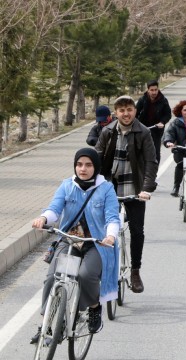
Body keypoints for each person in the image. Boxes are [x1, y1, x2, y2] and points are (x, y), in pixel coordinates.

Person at [30, 148, 119, 342]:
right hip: (69, 239)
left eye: (88, 165)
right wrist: (43, 218)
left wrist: (110, 236)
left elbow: (112, 217)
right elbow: (54, 208)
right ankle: (45, 324)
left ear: (95, 167)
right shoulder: (67, 185)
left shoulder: (106, 189)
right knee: (52, 277)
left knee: (85, 275)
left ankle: (94, 308)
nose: (83, 169)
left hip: (96, 243)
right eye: (79, 164)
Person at [96, 95, 157, 293]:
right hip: (110, 187)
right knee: (103, 230)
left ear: (134, 111)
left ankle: (135, 271)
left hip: (135, 188)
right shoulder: (107, 131)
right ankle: (102, 268)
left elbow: (150, 162)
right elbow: (96, 157)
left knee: (137, 231)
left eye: (129, 109)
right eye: (121, 110)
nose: (126, 114)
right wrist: (91, 181)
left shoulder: (143, 132)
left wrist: (146, 188)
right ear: (116, 113)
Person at [135, 80, 172, 164]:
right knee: (139, 149)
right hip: (142, 128)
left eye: (156, 90)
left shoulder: (163, 100)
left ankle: (154, 171)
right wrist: (136, 124)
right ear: (148, 90)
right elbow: (135, 113)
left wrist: (162, 122)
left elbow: (168, 114)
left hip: (156, 129)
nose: (154, 92)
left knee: (156, 152)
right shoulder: (143, 100)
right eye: (152, 90)